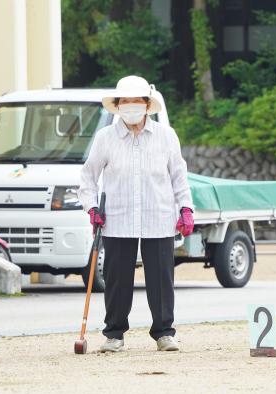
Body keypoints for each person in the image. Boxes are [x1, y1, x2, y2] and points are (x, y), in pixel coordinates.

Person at [78, 75, 195, 353]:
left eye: (136, 101)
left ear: (147, 104)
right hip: (117, 218)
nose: (131, 106)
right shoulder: (105, 138)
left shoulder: (166, 136)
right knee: (117, 279)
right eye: (125, 101)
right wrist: (91, 207)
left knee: (161, 279)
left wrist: (186, 208)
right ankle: (114, 334)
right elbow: (88, 177)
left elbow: (179, 176)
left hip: (159, 216)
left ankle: (164, 333)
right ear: (117, 106)